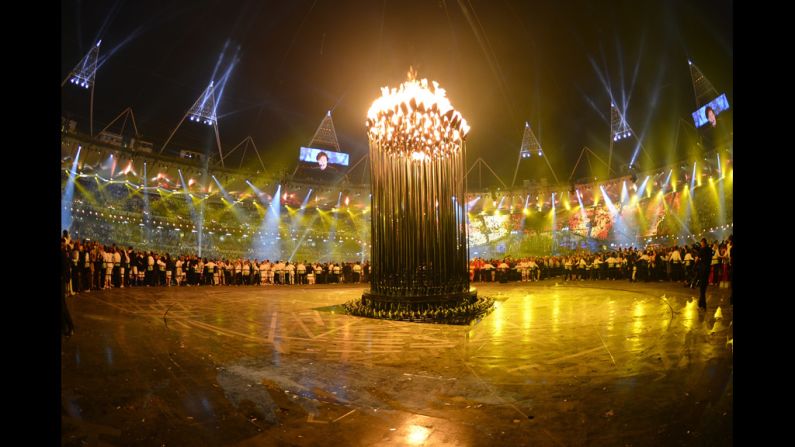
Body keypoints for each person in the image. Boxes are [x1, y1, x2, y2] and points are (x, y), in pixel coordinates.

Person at [696, 238, 713, 311]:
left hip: (702, 269)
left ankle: (703, 306)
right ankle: (700, 304)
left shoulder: (702, 250)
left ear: (703, 243)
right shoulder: (710, 249)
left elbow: (697, 259)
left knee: (702, 288)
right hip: (708, 269)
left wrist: (698, 259)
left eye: (701, 243)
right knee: (704, 286)